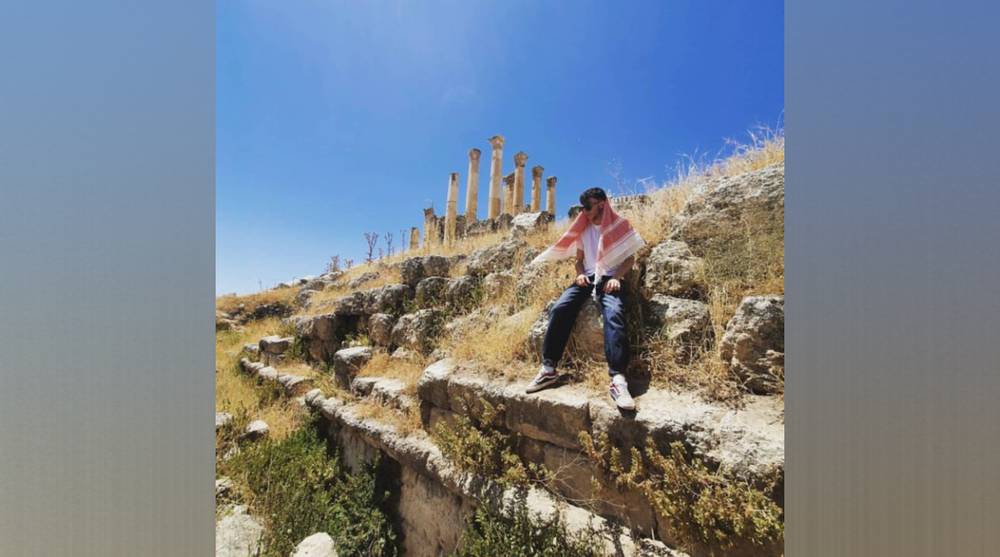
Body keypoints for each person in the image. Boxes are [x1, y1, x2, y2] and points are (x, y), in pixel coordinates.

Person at [524, 187, 646, 410]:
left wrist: (617, 277)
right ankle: (549, 369)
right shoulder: (583, 229)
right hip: (587, 278)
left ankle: (618, 380)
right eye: (583, 208)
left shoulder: (620, 225)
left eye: (588, 207)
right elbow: (579, 260)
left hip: (609, 277)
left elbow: (630, 258)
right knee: (560, 308)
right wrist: (580, 274)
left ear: (601, 203)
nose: (585, 212)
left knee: (614, 313)